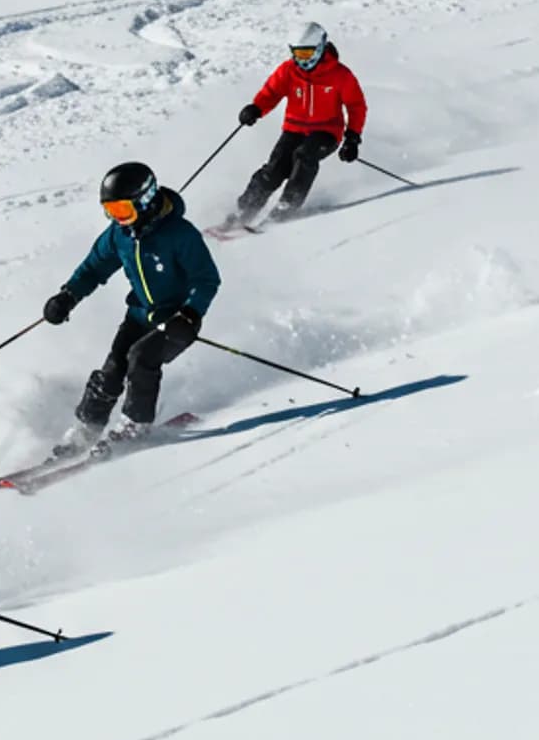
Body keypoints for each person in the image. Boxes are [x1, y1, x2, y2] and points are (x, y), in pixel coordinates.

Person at [43, 162, 220, 444]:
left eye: (123, 210)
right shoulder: (119, 235)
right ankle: (86, 431)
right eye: (111, 211)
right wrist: (68, 296)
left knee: (141, 357)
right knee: (112, 369)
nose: (119, 218)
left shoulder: (180, 233)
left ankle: (136, 425)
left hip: (177, 322)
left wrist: (190, 314)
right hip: (139, 315)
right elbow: (93, 268)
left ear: (146, 200)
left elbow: (207, 279)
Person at [229, 22, 366, 225]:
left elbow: (356, 106)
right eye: (297, 54)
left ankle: (286, 208)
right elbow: (271, 93)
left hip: (326, 132)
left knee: (304, 156)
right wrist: (256, 108)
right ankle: (244, 211)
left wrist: (352, 138)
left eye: (307, 54)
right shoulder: (288, 71)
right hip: (294, 129)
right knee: (274, 169)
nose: (302, 60)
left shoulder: (340, 75)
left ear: (319, 48)